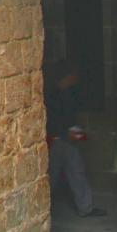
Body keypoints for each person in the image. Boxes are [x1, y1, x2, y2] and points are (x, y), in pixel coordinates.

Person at [44, 59, 106, 218]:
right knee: (51, 177)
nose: (75, 78)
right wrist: (73, 134)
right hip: (57, 141)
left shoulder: (67, 94)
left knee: (76, 172)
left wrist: (78, 134)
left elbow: (69, 121)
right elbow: (55, 122)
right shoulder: (52, 96)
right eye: (73, 75)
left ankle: (86, 207)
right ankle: (42, 209)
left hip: (66, 141)